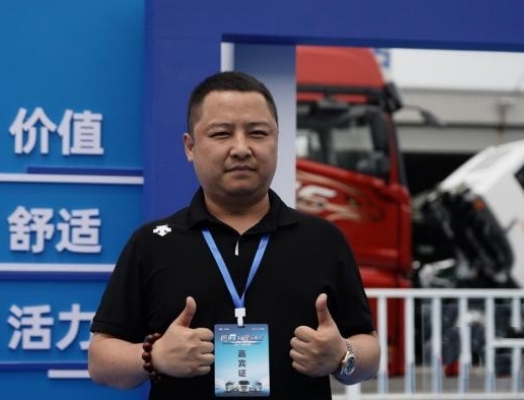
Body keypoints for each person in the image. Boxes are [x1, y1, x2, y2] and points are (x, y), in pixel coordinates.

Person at [88, 71, 380, 399]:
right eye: (221, 133)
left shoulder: (323, 239)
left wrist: (342, 355)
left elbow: (368, 352)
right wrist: (155, 356)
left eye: (257, 133)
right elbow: (100, 361)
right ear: (190, 146)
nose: (241, 148)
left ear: (277, 141)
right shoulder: (152, 242)